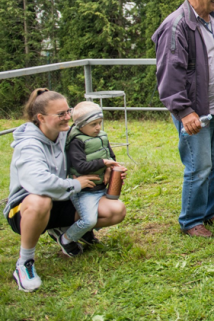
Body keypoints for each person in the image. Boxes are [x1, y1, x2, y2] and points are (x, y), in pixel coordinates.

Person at [4, 89, 126, 291]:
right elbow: (40, 184)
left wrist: (108, 169)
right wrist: (76, 184)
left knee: (116, 210)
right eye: (61, 114)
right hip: (25, 208)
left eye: (68, 111)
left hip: (62, 198)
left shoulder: (66, 134)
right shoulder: (29, 145)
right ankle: (24, 263)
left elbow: (85, 158)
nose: (68, 117)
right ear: (41, 118)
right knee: (40, 200)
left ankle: (65, 233)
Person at [152, 0, 214, 238]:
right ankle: (190, 221)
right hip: (196, 110)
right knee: (198, 166)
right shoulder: (176, 26)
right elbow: (170, 73)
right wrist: (184, 111)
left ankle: (208, 213)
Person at [61, 101, 126, 257]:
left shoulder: (101, 137)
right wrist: (103, 163)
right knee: (89, 220)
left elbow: (111, 155)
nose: (98, 127)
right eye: (93, 124)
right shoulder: (76, 142)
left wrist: (110, 169)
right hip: (84, 191)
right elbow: (81, 166)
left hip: (100, 188)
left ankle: (83, 233)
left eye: (99, 123)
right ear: (81, 126)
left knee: (116, 209)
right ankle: (66, 238)